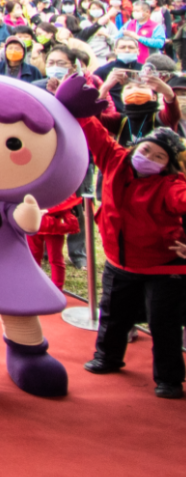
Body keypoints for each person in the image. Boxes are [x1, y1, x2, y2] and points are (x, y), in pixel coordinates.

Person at [76, 92, 186, 399]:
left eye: (158, 156)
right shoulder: (115, 159)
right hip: (118, 261)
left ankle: (169, 379)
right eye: (146, 150)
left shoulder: (172, 186)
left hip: (163, 266)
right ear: (136, 145)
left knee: (165, 324)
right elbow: (91, 129)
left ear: (168, 165)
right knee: (113, 314)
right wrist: (77, 100)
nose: (148, 157)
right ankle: (107, 357)